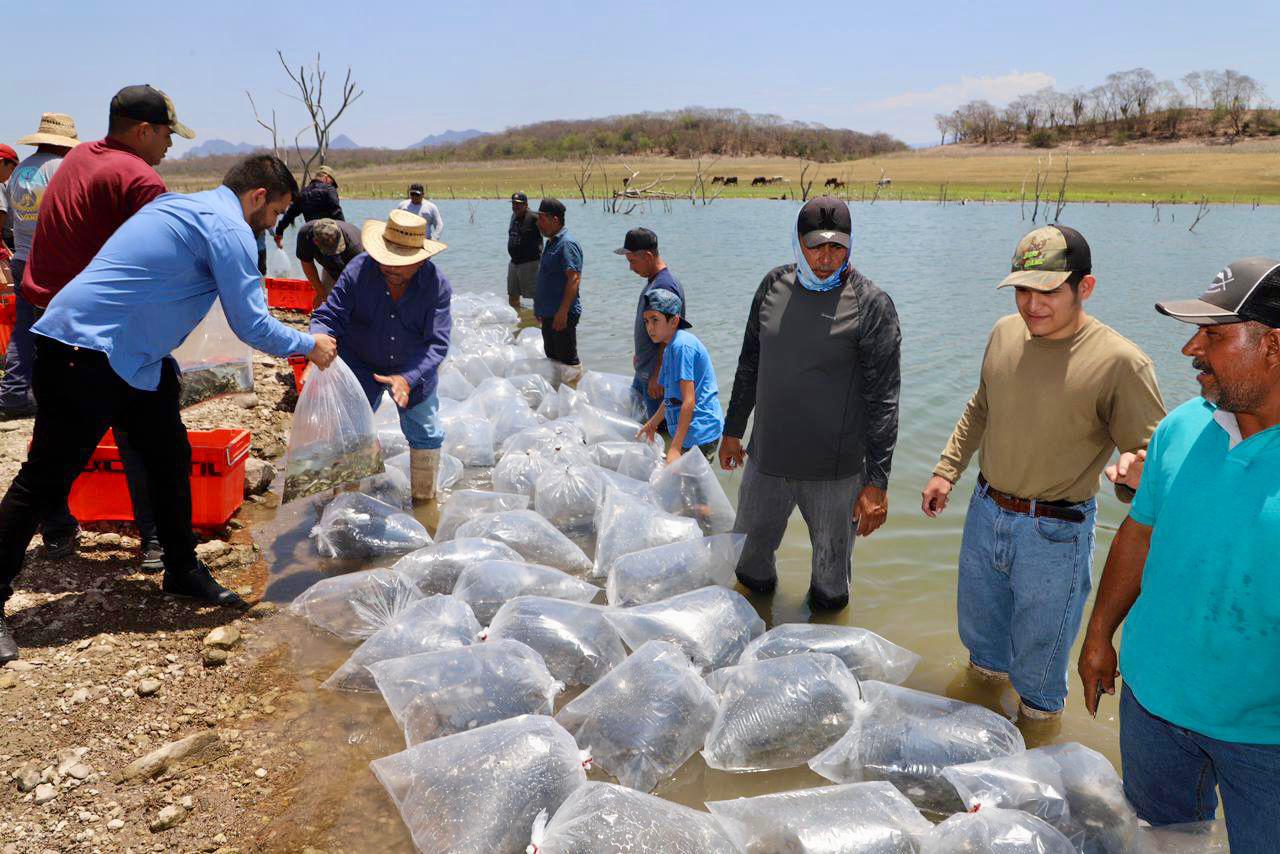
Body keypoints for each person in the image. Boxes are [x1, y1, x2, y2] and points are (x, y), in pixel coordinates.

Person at [0, 154, 338, 663]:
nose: (272, 225)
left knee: (168, 455)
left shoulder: (185, 205)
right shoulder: (228, 228)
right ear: (258, 197)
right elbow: (251, 324)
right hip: (84, 351)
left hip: (133, 358)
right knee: (45, 479)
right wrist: (308, 343)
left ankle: (181, 569)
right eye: (274, 213)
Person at [921, 224, 1166, 721]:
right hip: (985, 515)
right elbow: (981, 407)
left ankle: (1034, 763)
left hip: (1055, 534)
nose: (1032, 305)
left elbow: (1153, 463)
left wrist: (1131, 473)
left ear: (1085, 288)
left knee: (1039, 678)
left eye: (1049, 291)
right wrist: (947, 470)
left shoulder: (1121, 362)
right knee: (982, 654)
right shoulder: (1003, 333)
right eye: (1023, 290)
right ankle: (980, 743)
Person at [1078, 257, 1280, 850]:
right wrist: (1098, 640)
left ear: (1274, 344)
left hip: (1264, 737)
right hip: (1154, 707)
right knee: (1159, 840)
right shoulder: (1182, 428)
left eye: (1214, 335)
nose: (1193, 348)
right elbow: (1138, 534)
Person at [18, 85, 193, 568]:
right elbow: (156, 269)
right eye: (165, 135)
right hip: (100, 333)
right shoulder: (140, 182)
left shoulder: (78, 159)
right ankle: (159, 542)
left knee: (55, 448)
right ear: (143, 130)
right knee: (141, 440)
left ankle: (60, 530)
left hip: (48, 321)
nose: (169, 147)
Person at [720, 196, 900, 611]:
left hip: (834, 476)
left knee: (830, 591)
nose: (825, 257)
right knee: (749, 574)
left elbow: (884, 400)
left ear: (850, 245)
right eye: (815, 245)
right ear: (797, 242)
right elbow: (750, 361)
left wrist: (877, 483)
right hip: (766, 462)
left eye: (837, 246)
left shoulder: (872, 304)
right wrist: (732, 431)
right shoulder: (772, 286)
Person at [310, 210, 450, 502]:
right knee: (350, 436)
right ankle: (345, 507)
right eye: (384, 257)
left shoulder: (436, 286)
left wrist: (407, 378)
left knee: (426, 434)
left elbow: (436, 344)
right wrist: (316, 339)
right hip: (360, 362)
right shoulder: (359, 270)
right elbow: (329, 314)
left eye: (398, 263)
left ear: (421, 259)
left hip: (413, 370)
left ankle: (425, 506)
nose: (388, 266)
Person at [0, 114, 80, 417]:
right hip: (53, 262)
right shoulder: (61, 167)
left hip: (22, 259)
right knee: (63, 329)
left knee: (23, 330)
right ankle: (62, 393)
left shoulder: (20, 170)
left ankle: (14, 397)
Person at [636, 289, 721, 464]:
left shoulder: (682, 347)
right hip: (687, 432)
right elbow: (670, 398)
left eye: (655, 320)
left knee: (693, 488)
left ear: (674, 320)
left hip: (700, 433)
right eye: (646, 321)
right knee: (681, 485)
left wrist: (675, 447)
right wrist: (652, 424)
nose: (649, 327)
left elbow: (689, 400)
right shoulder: (669, 348)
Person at [616, 227, 686, 426]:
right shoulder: (654, 282)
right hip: (645, 369)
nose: (630, 268)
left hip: (656, 375)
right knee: (639, 422)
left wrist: (658, 373)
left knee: (658, 429)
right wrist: (641, 354)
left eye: (632, 261)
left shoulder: (664, 286)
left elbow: (670, 335)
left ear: (647, 256)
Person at [533, 198, 583, 381]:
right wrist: (540, 309)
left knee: (568, 363)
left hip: (562, 316)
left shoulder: (567, 244)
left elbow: (574, 279)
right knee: (553, 361)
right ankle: (557, 399)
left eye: (542, 219)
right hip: (549, 314)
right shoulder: (552, 242)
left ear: (555, 220)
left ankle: (574, 398)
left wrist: (562, 312)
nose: (539, 224)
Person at [296, 217, 363, 307]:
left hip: (357, 269)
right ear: (315, 241)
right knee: (324, 303)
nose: (334, 254)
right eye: (330, 250)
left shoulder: (355, 247)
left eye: (336, 248)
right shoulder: (305, 235)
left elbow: (360, 279)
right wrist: (321, 293)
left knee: (356, 302)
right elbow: (307, 264)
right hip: (330, 267)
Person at [273, 164, 343, 249]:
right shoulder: (330, 190)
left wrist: (279, 232)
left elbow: (289, 215)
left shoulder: (303, 193)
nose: (332, 186)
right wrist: (344, 232)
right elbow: (337, 212)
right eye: (332, 183)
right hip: (330, 238)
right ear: (326, 178)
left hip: (312, 238)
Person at [506, 192, 541, 310]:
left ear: (526, 205)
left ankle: (538, 322)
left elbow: (550, 232)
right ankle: (518, 319)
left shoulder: (534, 217)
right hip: (514, 263)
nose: (515, 206)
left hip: (531, 264)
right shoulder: (513, 216)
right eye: (513, 204)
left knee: (537, 296)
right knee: (512, 295)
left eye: (518, 204)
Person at [0, 144, 17, 255]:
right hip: (7, 240)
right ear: (1, 162)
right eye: (11, 168)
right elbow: (1, 212)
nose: (12, 173)